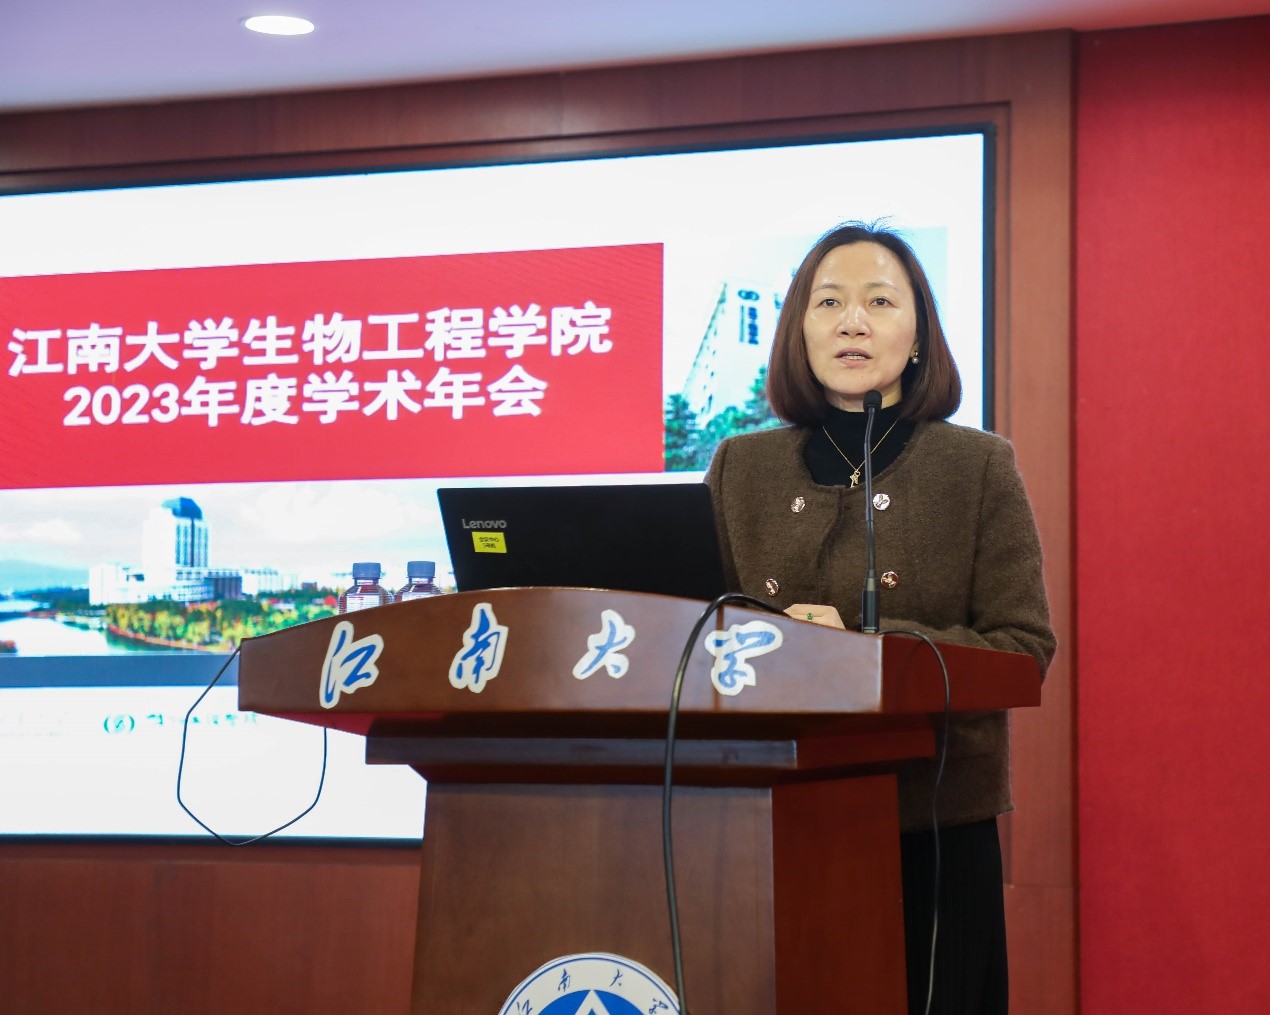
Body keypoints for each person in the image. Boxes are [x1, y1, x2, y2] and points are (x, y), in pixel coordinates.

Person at [705, 222, 1056, 1014]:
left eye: (879, 301)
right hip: (766, 819)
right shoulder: (740, 468)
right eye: (828, 302)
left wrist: (868, 649)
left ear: (919, 331)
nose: (852, 321)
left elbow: (1022, 648)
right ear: (799, 330)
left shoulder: (977, 466)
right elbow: (698, 628)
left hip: (930, 828)